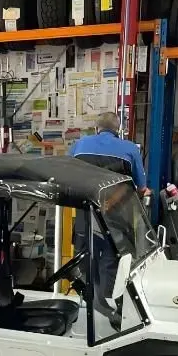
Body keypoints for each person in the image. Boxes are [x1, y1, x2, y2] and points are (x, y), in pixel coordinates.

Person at [68, 112, 148, 302]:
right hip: (116, 220)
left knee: (86, 259)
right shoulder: (130, 148)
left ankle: (88, 303)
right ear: (117, 130)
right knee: (112, 262)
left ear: (97, 128)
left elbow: (67, 176)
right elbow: (141, 188)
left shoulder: (79, 145)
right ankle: (108, 306)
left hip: (86, 216)